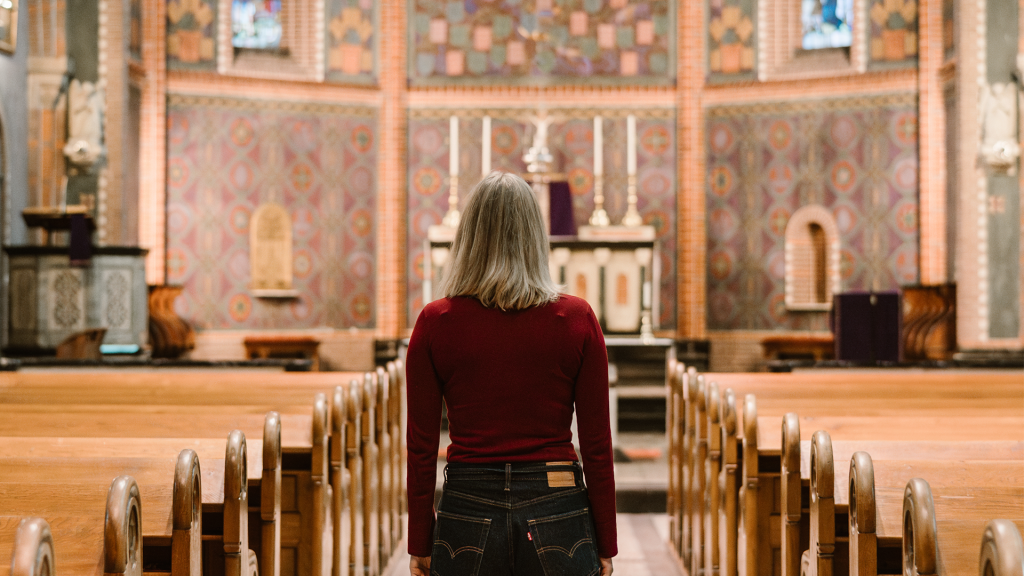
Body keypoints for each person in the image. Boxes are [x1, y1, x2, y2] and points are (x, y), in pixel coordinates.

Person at [406, 172, 616, 576]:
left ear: (468, 236)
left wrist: (420, 539)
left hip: (466, 504)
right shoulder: (575, 319)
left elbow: (421, 446)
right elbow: (596, 443)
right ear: (536, 236)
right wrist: (606, 541)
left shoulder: (435, 322)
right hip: (558, 504)